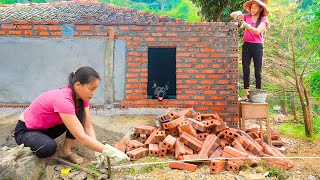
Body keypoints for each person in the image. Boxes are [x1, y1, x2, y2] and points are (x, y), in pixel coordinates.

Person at [14, 66, 129, 164]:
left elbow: (87, 126)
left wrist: (98, 150)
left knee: (80, 116)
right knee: (48, 148)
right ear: (78, 85)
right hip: (26, 131)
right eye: (91, 89)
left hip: (47, 129)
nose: (93, 93)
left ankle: (65, 151)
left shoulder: (82, 98)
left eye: (95, 89)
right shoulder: (63, 99)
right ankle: (30, 153)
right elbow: (81, 137)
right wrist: (108, 151)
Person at [230, 0, 269, 100]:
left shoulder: (263, 20)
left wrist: (247, 25)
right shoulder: (246, 17)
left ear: (260, 9)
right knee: (246, 70)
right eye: (252, 7)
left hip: (257, 47)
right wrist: (238, 13)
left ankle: (258, 94)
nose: (253, 9)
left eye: (255, 7)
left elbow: (257, 31)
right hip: (247, 46)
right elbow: (232, 15)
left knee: (258, 72)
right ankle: (247, 94)